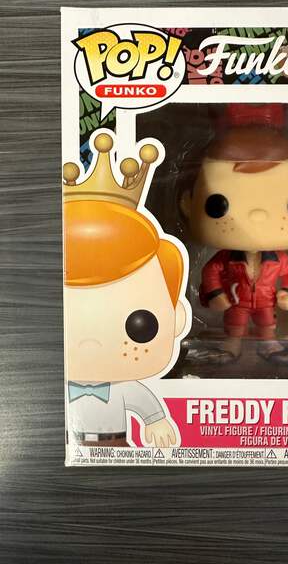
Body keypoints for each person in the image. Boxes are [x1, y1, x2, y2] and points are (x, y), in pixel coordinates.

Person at [64, 131, 188, 447]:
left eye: (140, 326)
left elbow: (146, 406)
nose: (91, 343)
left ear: (177, 317)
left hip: (118, 448)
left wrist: (156, 422)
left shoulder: (124, 388)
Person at [181, 104, 288, 360]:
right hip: (238, 301)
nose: (257, 216)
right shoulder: (226, 258)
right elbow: (211, 271)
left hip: (265, 302)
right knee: (235, 322)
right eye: (218, 205)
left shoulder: (279, 259)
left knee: (267, 323)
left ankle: (268, 344)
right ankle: (232, 343)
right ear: (188, 204)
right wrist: (216, 293)